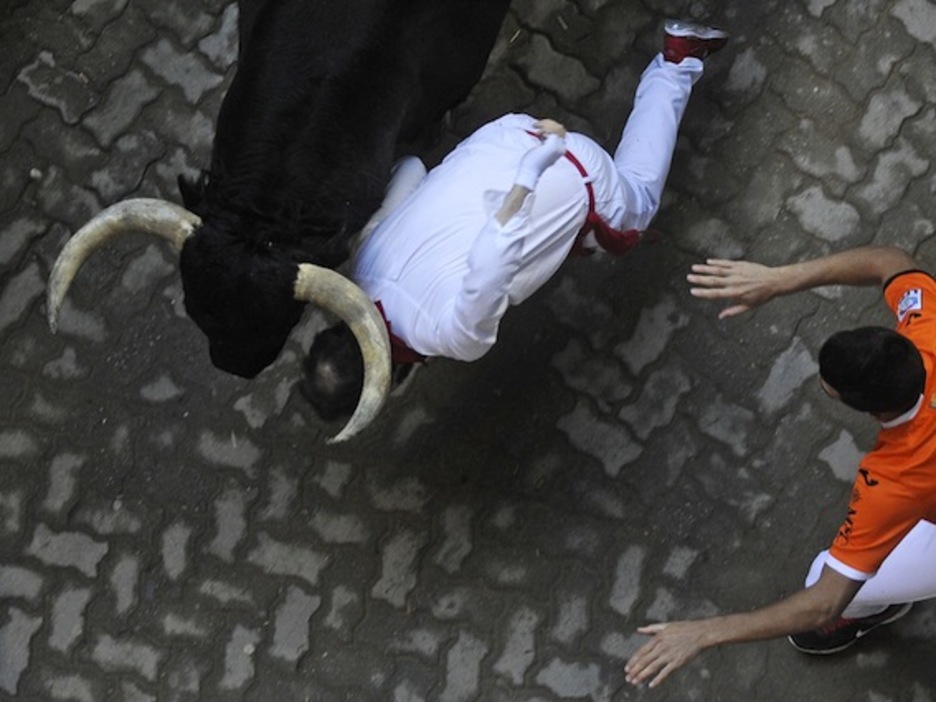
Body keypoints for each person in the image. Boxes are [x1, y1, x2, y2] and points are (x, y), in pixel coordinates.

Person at [302, 19, 730, 420]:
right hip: (508, 132)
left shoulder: (451, 335)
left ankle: (678, 59)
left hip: (565, 165)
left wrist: (534, 172)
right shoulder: (361, 262)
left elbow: (497, 256)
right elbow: (411, 168)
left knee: (630, 215)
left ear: (388, 384)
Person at [625, 245, 936, 688]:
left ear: (869, 410)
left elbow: (823, 603)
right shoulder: (929, 324)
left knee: (826, 577)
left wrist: (704, 633)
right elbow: (890, 260)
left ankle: (878, 607)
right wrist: (778, 279)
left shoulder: (890, 482)